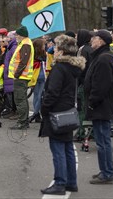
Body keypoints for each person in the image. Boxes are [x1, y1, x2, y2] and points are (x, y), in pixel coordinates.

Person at [39, 35, 84, 195]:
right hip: (68, 110)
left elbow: (53, 92)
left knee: (58, 148)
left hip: (57, 111)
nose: (54, 50)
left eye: (56, 48)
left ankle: (59, 183)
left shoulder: (60, 68)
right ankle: (71, 182)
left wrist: (44, 108)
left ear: (62, 51)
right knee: (67, 148)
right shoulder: (73, 68)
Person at [84, 29, 113, 184]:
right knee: (101, 141)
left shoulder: (104, 59)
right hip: (102, 105)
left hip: (101, 106)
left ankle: (108, 173)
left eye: (95, 38)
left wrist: (92, 102)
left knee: (103, 141)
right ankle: (105, 170)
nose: (92, 40)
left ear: (102, 41)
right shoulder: (101, 57)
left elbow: (101, 86)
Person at [8, 26, 34, 130]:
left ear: (21, 35)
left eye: (17, 35)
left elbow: (23, 61)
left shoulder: (25, 44)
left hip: (21, 77)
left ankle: (22, 122)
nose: (16, 37)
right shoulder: (24, 43)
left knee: (20, 99)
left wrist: (16, 74)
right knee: (22, 99)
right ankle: (24, 121)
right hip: (22, 76)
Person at [29, 38, 47, 123]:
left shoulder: (32, 54)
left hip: (34, 76)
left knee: (36, 96)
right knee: (40, 96)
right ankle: (35, 113)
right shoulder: (43, 55)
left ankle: (36, 115)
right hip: (41, 76)